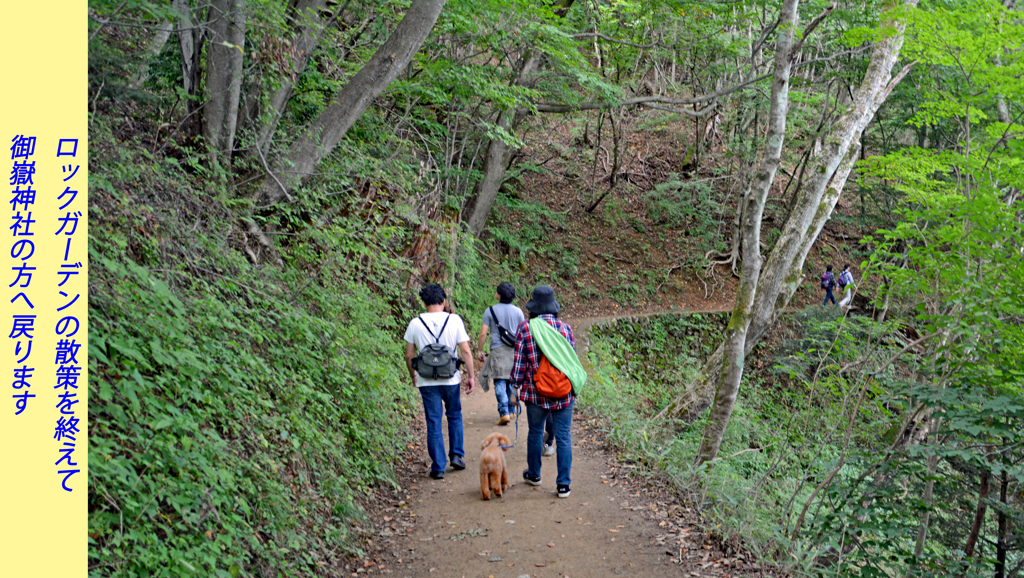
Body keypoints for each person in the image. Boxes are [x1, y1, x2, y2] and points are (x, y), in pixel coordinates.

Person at [511, 285, 577, 498]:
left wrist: (514, 386)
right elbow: (571, 362)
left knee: (536, 433)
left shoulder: (526, 328)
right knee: (564, 436)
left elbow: (520, 363)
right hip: (564, 392)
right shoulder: (565, 329)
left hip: (535, 393)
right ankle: (563, 485)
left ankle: (534, 474)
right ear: (553, 307)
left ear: (533, 308)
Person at [404, 284, 475, 480]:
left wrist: (413, 375)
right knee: (454, 415)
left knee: (433, 421)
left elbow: (409, 355)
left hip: (427, 380)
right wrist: (471, 376)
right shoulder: (454, 320)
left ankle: (438, 466)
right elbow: (466, 351)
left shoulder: (415, 323)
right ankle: (457, 455)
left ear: (424, 302)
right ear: (444, 301)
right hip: (450, 378)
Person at [477, 282, 525, 426]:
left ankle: (504, 411)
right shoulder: (518, 312)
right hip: (515, 351)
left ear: (499, 294)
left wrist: (480, 350)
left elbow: (483, 333)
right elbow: (523, 332)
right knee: (511, 380)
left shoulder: (490, 311)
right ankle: (511, 410)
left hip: (497, 351)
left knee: (499, 380)